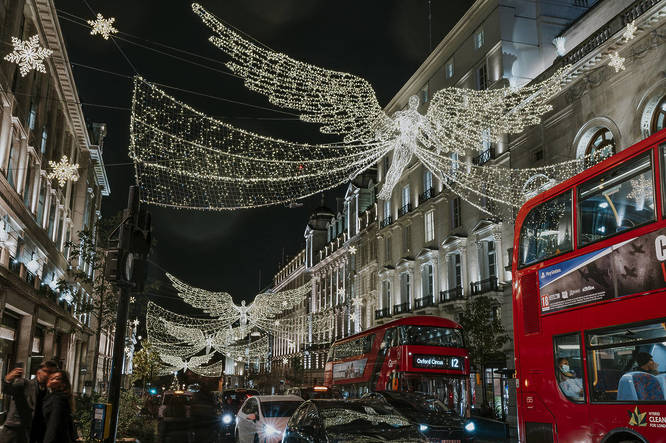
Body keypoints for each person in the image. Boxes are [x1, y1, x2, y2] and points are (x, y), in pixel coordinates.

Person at [0, 360, 58, 443]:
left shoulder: (50, 391)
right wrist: (7, 380)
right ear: (38, 372)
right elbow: (7, 390)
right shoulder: (25, 383)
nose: (49, 375)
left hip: (35, 432)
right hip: (17, 431)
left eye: (52, 373)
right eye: (47, 371)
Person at [42, 370, 76, 443]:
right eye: (51, 377)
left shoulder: (58, 399)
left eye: (56, 378)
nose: (51, 379)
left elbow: (54, 425)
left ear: (63, 384)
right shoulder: (54, 397)